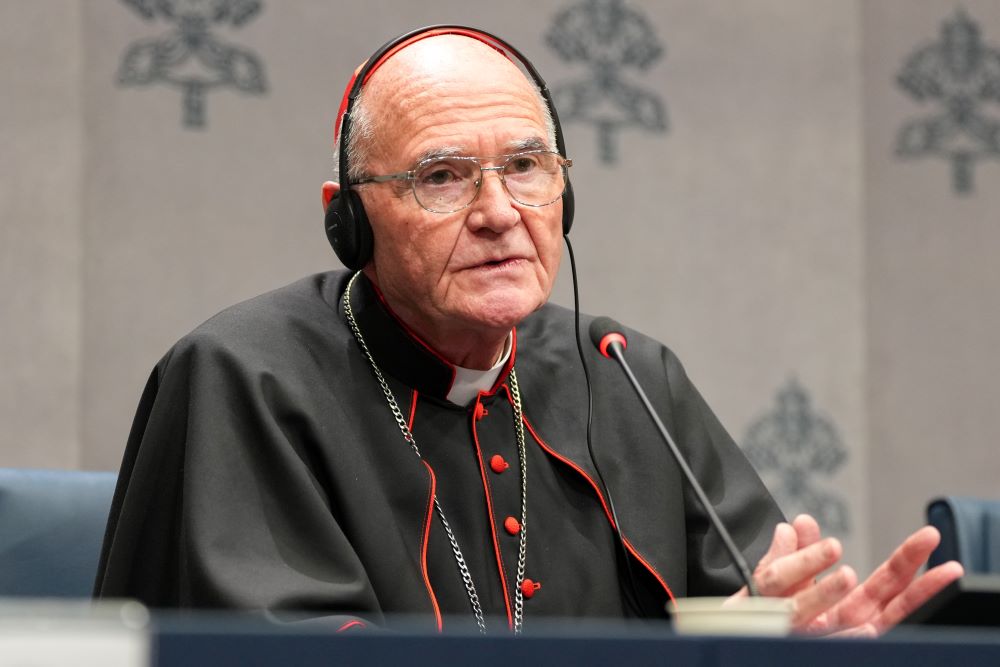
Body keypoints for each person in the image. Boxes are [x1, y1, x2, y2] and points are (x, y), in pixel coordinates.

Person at [94, 27, 962, 635]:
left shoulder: (627, 376)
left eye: (525, 167)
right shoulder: (244, 376)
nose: (500, 213)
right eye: (443, 176)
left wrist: (796, 639)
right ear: (348, 221)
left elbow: (755, 612)